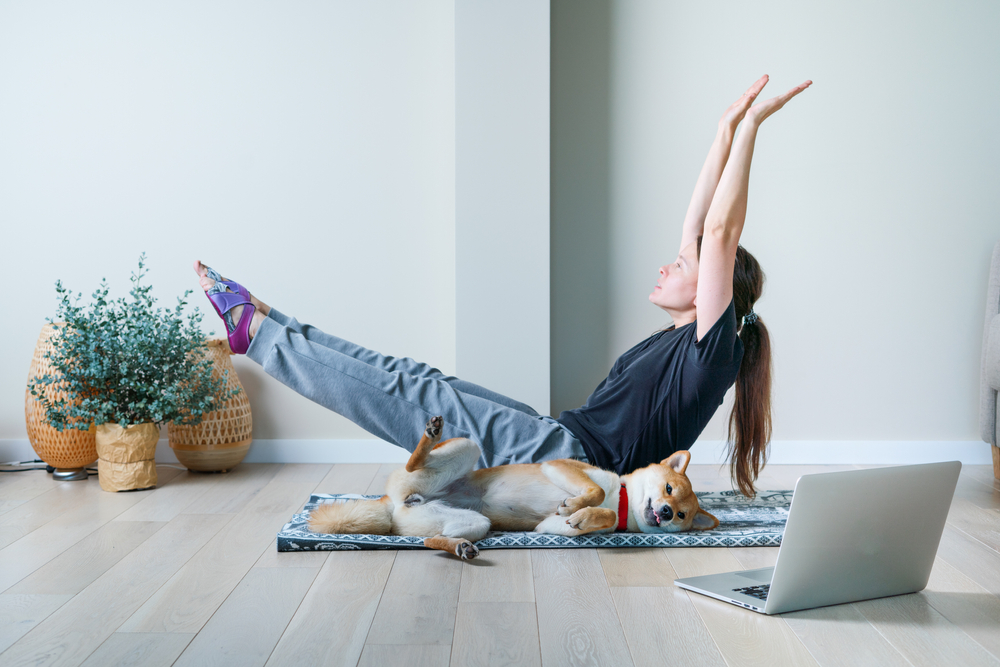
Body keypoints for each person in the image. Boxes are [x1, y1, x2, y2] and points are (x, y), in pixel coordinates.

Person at [196, 74, 810, 496]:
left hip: (573, 466)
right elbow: (700, 222)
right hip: (558, 437)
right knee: (418, 380)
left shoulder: (712, 351)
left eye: (684, 265)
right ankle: (273, 322)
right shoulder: (687, 336)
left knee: (403, 395)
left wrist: (753, 129)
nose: (667, 265)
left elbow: (721, 230)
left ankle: (262, 337)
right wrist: (724, 130)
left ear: (714, 286)